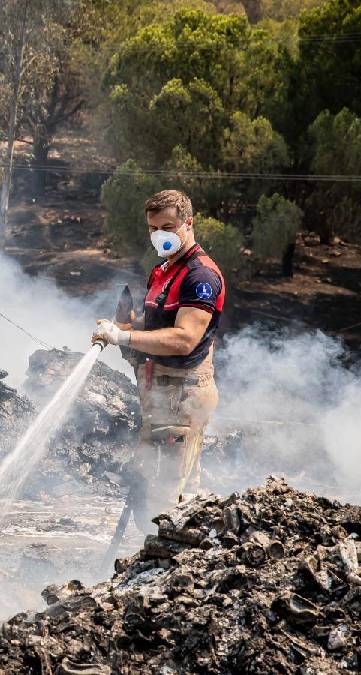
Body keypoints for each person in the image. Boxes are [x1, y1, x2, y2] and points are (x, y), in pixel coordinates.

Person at [92, 189, 225, 518]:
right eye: (153, 229)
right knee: (154, 486)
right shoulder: (164, 270)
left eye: (167, 226)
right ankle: (155, 560)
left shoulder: (201, 276)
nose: (159, 235)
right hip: (160, 395)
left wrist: (125, 336)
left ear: (188, 223)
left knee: (170, 494)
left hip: (182, 396)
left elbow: (183, 339)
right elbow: (154, 333)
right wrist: (124, 326)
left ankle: (176, 563)